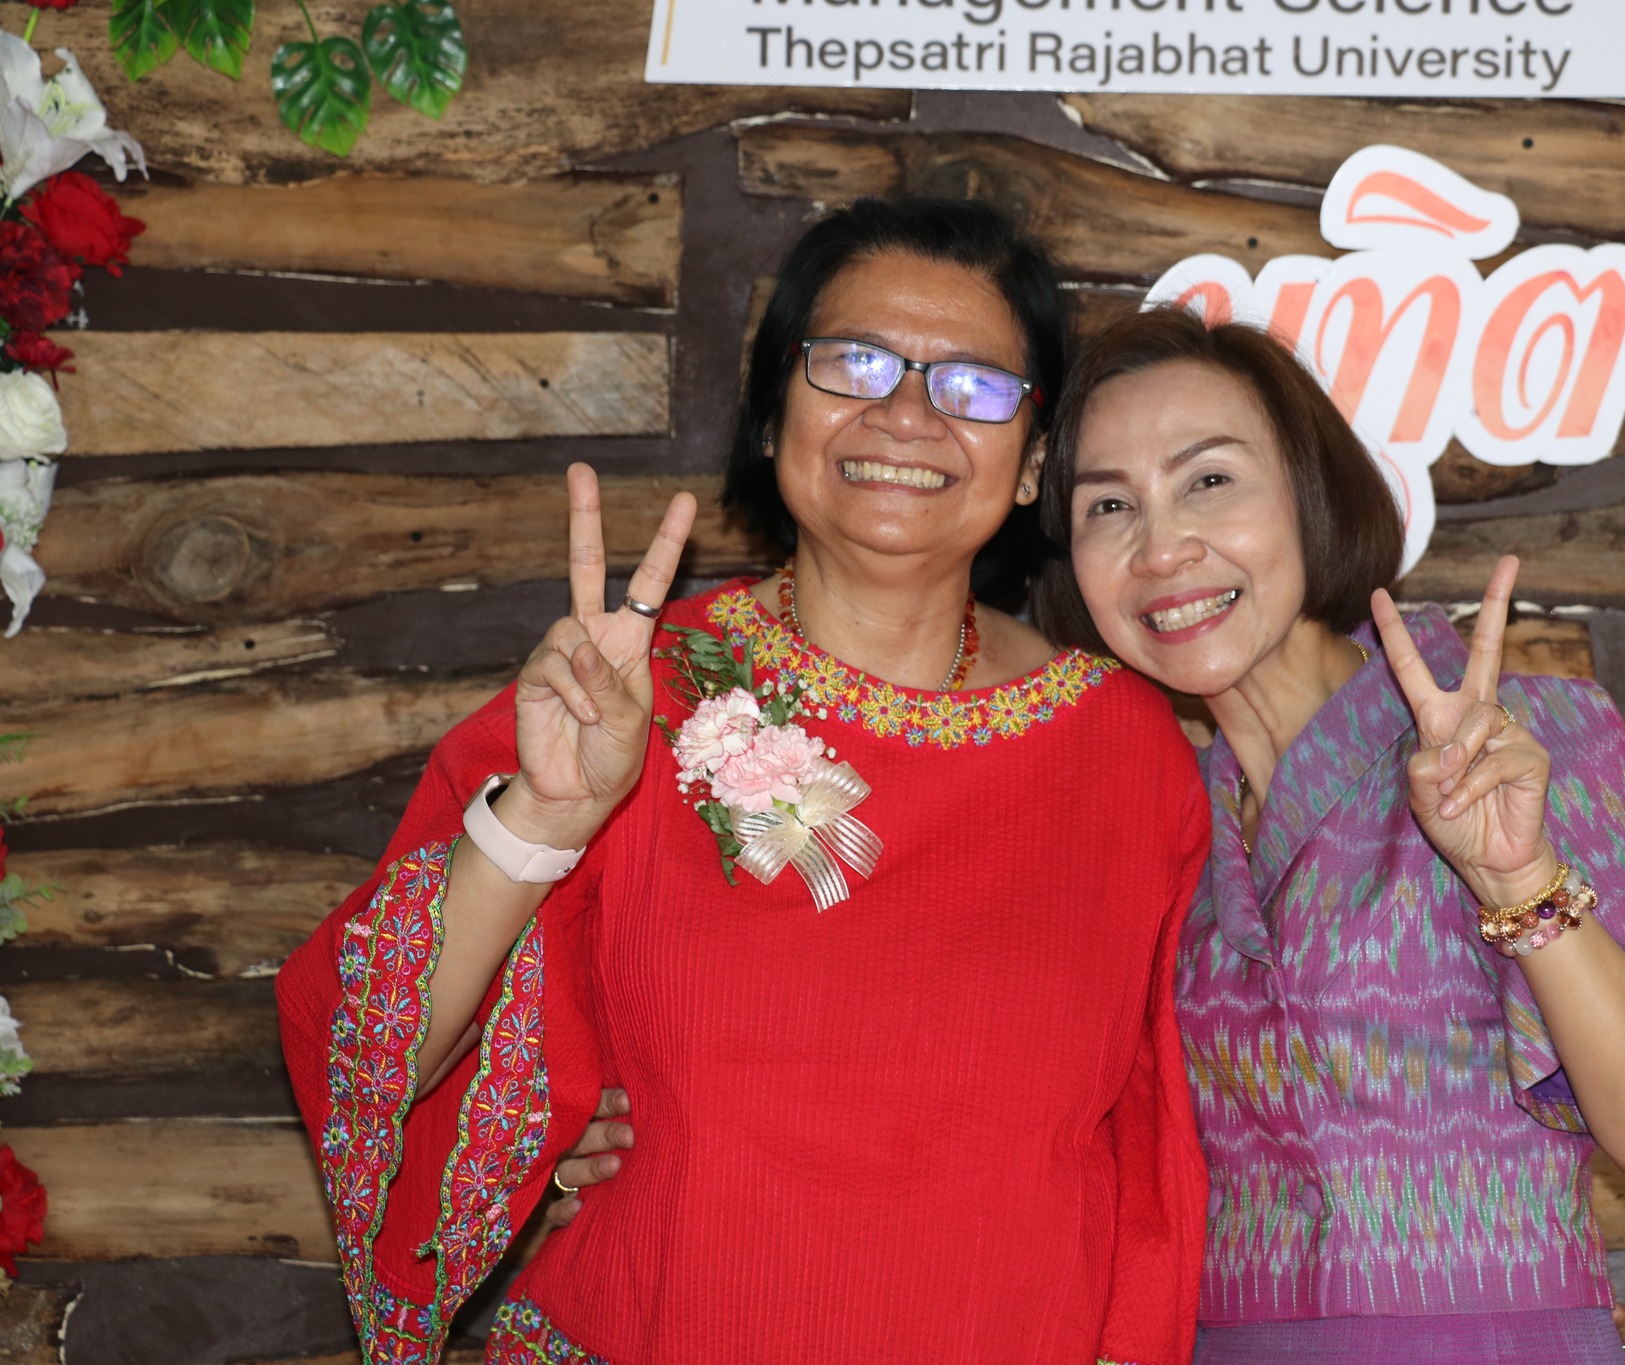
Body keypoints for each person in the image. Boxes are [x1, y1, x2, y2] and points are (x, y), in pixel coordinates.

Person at [275, 199, 1212, 1365]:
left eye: (973, 385)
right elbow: (365, 1063)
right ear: (772, 414)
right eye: (853, 363)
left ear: (1030, 465)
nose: (905, 413)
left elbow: (1151, 1152)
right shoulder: (629, 692)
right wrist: (551, 815)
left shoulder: (1123, 750)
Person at [1030, 310, 1625, 1362]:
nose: (1161, 548)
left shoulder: (1518, 738)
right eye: (1109, 504)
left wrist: (1516, 874)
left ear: (1311, 495)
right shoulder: (1159, 811)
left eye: (1209, 480)